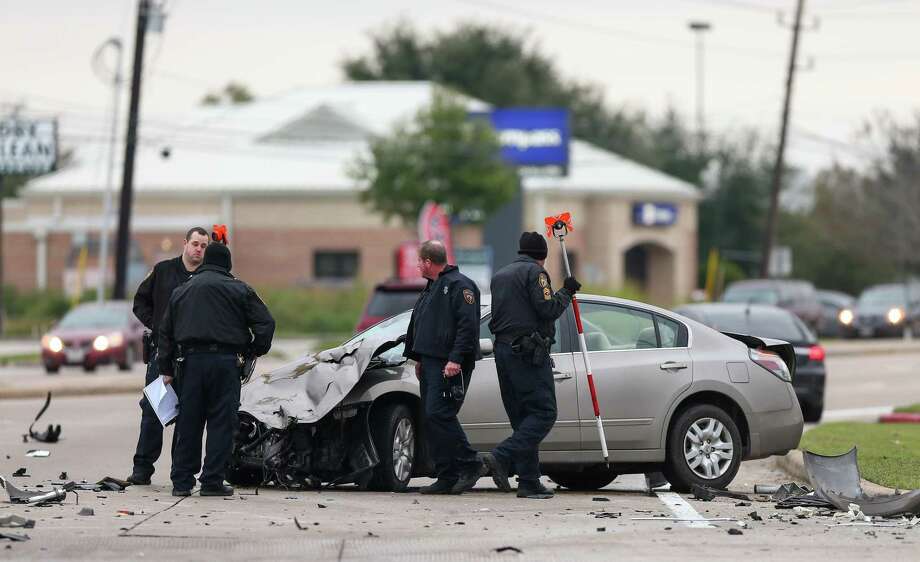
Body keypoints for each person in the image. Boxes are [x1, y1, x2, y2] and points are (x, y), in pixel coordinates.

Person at [158, 242, 275, 497]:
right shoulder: (240, 289)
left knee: (189, 422)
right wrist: (253, 350)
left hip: (189, 364)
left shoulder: (181, 291)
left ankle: (181, 482)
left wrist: (165, 367)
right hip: (225, 364)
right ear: (227, 265)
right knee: (222, 423)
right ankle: (211, 481)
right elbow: (266, 323)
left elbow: (165, 333)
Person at [482, 232, 580, 499]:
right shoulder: (536, 274)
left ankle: (528, 480)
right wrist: (567, 291)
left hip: (502, 353)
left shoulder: (500, 275)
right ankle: (501, 457)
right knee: (544, 413)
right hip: (527, 354)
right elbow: (547, 310)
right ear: (543, 256)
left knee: (523, 420)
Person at [126, 226, 209, 485]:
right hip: (162, 355)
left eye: (203, 246)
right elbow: (140, 303)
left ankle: (181, 472)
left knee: (188, 416)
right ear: (185, 243)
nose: (198, 249)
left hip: (193, 357)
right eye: (195, 243)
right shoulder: (163, 271)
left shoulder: (208, 277)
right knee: (152, 412)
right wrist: (160, 327)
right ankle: (142, 470)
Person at [403, 240, 483, 495]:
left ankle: (471, 464)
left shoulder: (460, 285)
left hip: (449, 363)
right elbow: (425, 325)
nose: (417, 265)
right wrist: (418, 358)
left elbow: (467, 326)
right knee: (431, 418)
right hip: (430, 362)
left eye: (419, 260)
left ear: (428, 262)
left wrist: (456, 359)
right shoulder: (432, 287)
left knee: (440, 414)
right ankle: (446, 475)